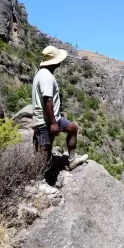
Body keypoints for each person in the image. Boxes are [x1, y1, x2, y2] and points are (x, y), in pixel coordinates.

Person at [32, 45, 88, 175]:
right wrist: (53, 123)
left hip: (54, 118)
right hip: (45, 121)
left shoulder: (42, 73)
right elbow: (48, 100)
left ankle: (72, 160)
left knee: (73, 128)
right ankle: (39, 180)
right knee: (44, 151)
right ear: (55, 62)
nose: (61, 62)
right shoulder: (46, 76)